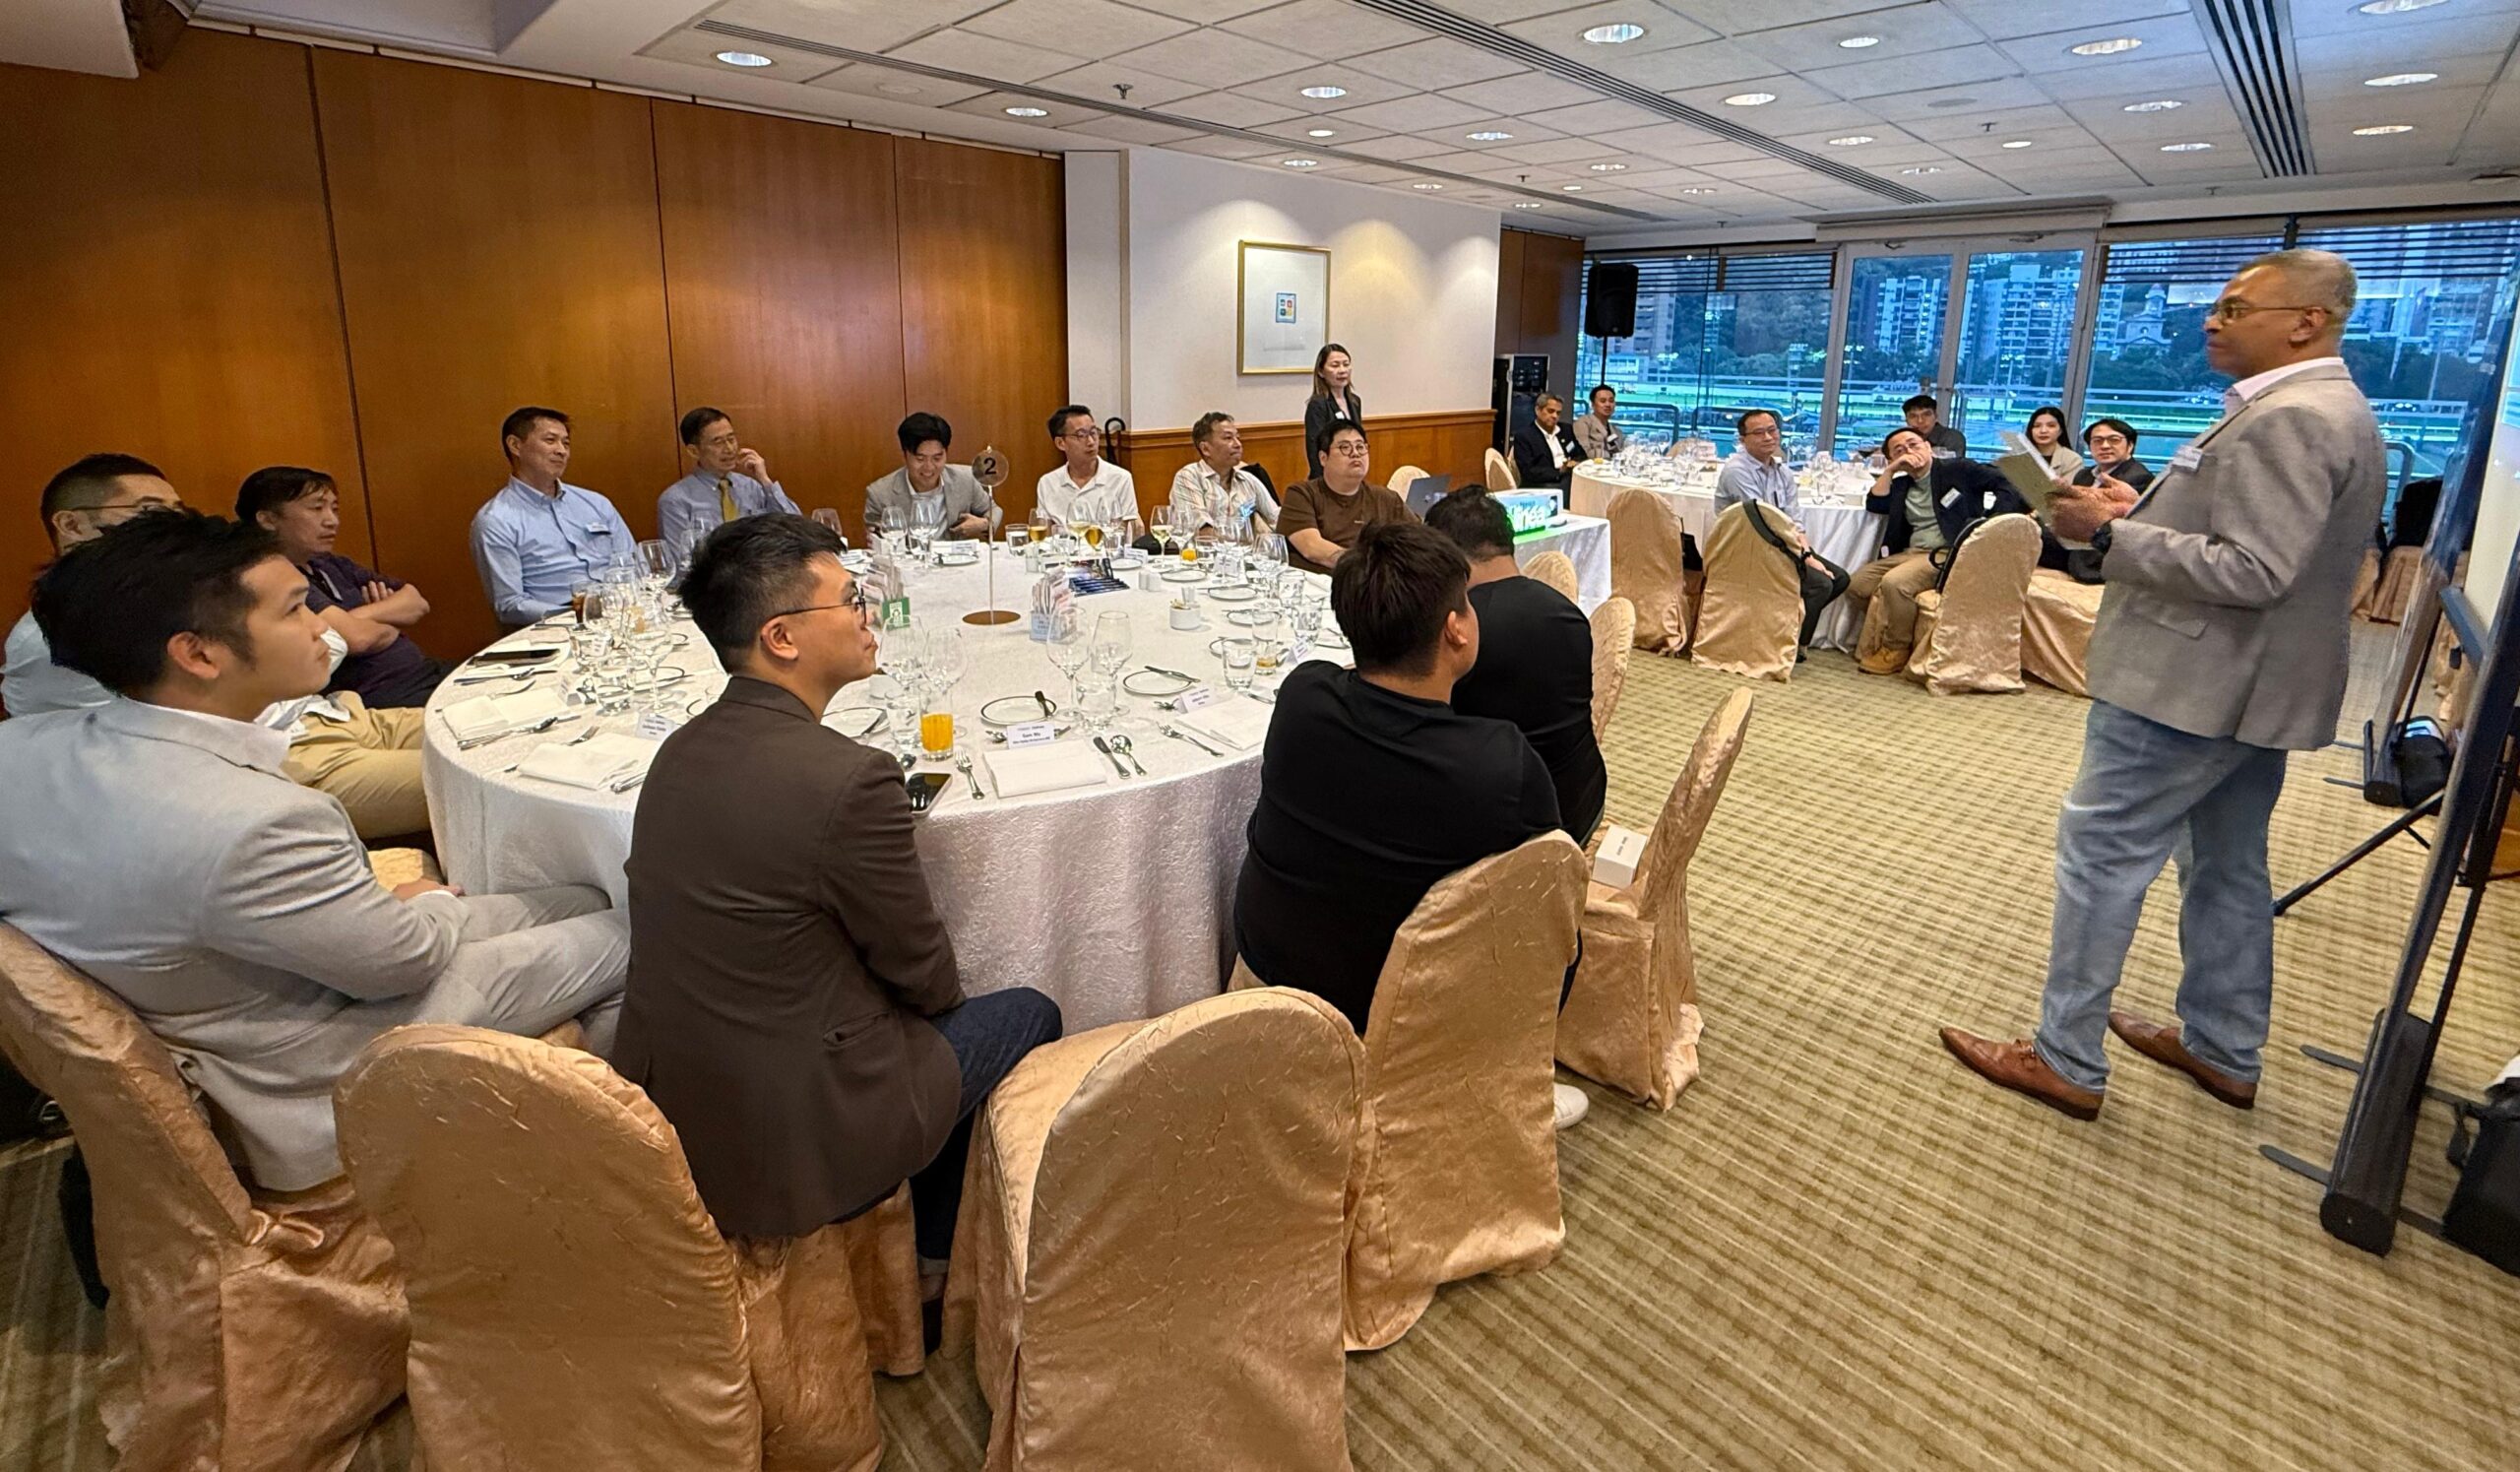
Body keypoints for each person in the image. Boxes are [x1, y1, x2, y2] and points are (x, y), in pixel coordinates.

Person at [0, 510, 628, 1190]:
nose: (321, 629)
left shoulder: (19, 750)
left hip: (228, 979)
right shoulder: (254, 821)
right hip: (313, 1053)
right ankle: (614, 1161)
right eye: (295, 609)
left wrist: (399, 909)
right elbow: (403, 961)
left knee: (585, 895)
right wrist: (416, 908)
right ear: (199, 654)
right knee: (649, 928)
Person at [1941, 248, 2388, 1121]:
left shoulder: (2291, 416)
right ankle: (2223, 1046)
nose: (2212, 320)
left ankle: (2065, 1057)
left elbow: (2256, 569)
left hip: (2194, 683)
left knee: (2102, 859)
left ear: (2307, 322)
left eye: (2236, 307)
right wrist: (2136, 511)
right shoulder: (2328, 407)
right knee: (2226, 865)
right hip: (2251, 687)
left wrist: (2112, 537)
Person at [620, 514, 1060, 1273]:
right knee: (1030, 1011)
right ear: (781, 637)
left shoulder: (677, 749)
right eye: (853, 599)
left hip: (673, 1097)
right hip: (797, 1128)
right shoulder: (850, 779)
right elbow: (925, 976)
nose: (870, 613)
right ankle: (935, 1254)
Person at [1234, 520, 1561, 1035]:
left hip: (1267, 976)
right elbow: (1545, 916)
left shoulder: (1301, 696)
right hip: (1395, 1017)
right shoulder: (1499, 763)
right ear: (1456, 629)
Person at [10, 456, 431, 840]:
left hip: (325, 715)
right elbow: (155, 752)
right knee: (464, 774)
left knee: (470, 720)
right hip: (278, 756)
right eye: (151, 512)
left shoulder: (176, 595)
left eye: (176, 511)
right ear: (72, 525)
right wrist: (346, 631)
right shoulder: (79, 630)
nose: (170, 526)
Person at [1425, 490, 1606, 840]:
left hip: (1520, 827)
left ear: (1445, 557)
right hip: (1584, 796)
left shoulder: (1460, 630)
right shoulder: (1567, 610)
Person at [237, 466, 448, 709]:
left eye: (334, 509)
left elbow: (416, 602)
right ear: (268, 519)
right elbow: (356, 638)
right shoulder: (276, 577)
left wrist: (355, 618)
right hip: (384, 695)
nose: (332, 521)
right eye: (317, 508)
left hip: (425, 672)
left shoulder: (329, 563)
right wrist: (389, 619)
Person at [1846, 428, 2029, 674]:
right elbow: (1875, 504)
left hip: (1946, 551)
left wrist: (1991, 520)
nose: (1909, 452)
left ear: (1928, 447)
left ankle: (1896, 648)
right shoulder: (1901, 484)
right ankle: (1894, 630)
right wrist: (1890, 471)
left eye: (1913, 444)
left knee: (1895, 584)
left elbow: (2008, 483)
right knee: (1857, 585)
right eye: (1899, 451)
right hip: (1910, 552)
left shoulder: (1958, 470)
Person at [471, 407, 637, 627]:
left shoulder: (595, 503)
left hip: (624, 612)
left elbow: (633, 563)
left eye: (566, 443)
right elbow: (509, 604)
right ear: (515, 445)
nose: (561, 451)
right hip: (557, 625)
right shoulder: (496, 520)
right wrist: (579, 614)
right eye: (550, 440)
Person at [1714, 409, 1853, 658]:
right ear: (1742, 440)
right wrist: (1805, 557)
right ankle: (1794, 647)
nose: (1768, 437)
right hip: (1749, 547)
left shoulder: (1783, 472)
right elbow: (1763, 521)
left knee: (1840, 579)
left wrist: (1806, 552)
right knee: (1820, 584)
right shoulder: (1737, 471)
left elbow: (1794, 520)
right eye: (1759, 433)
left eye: (1772, 430)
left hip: (1781, 544)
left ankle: (1785, 634)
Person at [658, 407, 800, 554]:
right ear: (694, 451)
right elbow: (682, 560)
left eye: (731, 439)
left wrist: (765, 481)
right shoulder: (675, 500)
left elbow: (797, 529)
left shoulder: (751, 486)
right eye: (718, 442)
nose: (730, 448)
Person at [1280, 422, 1408, 575]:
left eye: (1360, 447)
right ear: (1323, 458)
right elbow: (1312, 548)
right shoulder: (1301, 494)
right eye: (1345, 447)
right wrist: (1368, 566)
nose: (1355, 454)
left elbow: (1416, 539)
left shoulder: (1387, 498)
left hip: (1376, 582)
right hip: (1321, 583)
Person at [2040, 418, 2153, 577]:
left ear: (2130, 445)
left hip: (2098, 552)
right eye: (2097, 441)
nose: (2105, 446)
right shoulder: (2084, 474)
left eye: (2114, 440)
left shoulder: (2138, 477)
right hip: (2072, 540)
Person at [863, 412, 993, 540]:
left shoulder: (966, 479)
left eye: (937, 458)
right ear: (905, 455)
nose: (929, 467)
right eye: (920, 459)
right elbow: (875, 537)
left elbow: (993, 509)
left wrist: (984, 524)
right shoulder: (880, 494)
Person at [1166, 412, 1278, 543]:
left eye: (1238, 438)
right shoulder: (1188, 477)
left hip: (1244, 553)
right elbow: (1202, 533)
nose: (1238, 444)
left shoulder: (1248, 480)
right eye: (1228, 438)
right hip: (1201, 554)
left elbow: (1278, 519)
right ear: (1205, 449)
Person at [1033, 406, 1140, 538]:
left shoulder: (1120, 478)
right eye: (1081, 435)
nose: (1091, 442)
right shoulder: (1047, 483)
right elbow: (1044, 537)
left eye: (1093, 433)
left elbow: (1129, 534)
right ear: (1060, 443)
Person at [1301, 343, 1362, 480]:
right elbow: (1315, 450)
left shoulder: (1355, 401)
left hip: (1351, 475)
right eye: (1335, 366)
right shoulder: (1317, 405)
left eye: (1346, 364)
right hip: (1327, 478)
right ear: (1321, 372)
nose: (1342, 370)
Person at [1511, 393, 1584, 491]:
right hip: (1542, 484)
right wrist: (1560, 471)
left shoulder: (1566, 430)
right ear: (1538, 410)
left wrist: (1574, 463)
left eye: (1558, 413)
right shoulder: (1525, 436)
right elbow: (1528, 471)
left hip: (1570, 477)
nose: (1555, 416)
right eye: (1550, 411)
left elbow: (1581, 454)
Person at [2024, 406, 2084, 480]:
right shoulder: (2021, 455)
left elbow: (2068, 487)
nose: (2043, 431)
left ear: (2060, 431)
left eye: (2051, 426)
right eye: (2037, 426)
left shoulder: (2073, 459)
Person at [1902, 394, 1967, 458]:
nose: (1920, 421)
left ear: (1935, 417)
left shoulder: (1952, 437)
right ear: (1907, 421)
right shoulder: (1902, 440)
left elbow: (1950, 464)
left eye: (1926, 414)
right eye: (1913, 416)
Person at [1572, 384, 1624, 461]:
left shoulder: (1616, 431)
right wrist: (1611, 455)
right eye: (1603, 401)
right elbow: (1583, 453)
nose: (1608, 404)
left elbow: (1622, 453)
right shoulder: (1583, 423)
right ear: (1592, 405)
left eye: (1611, 401)